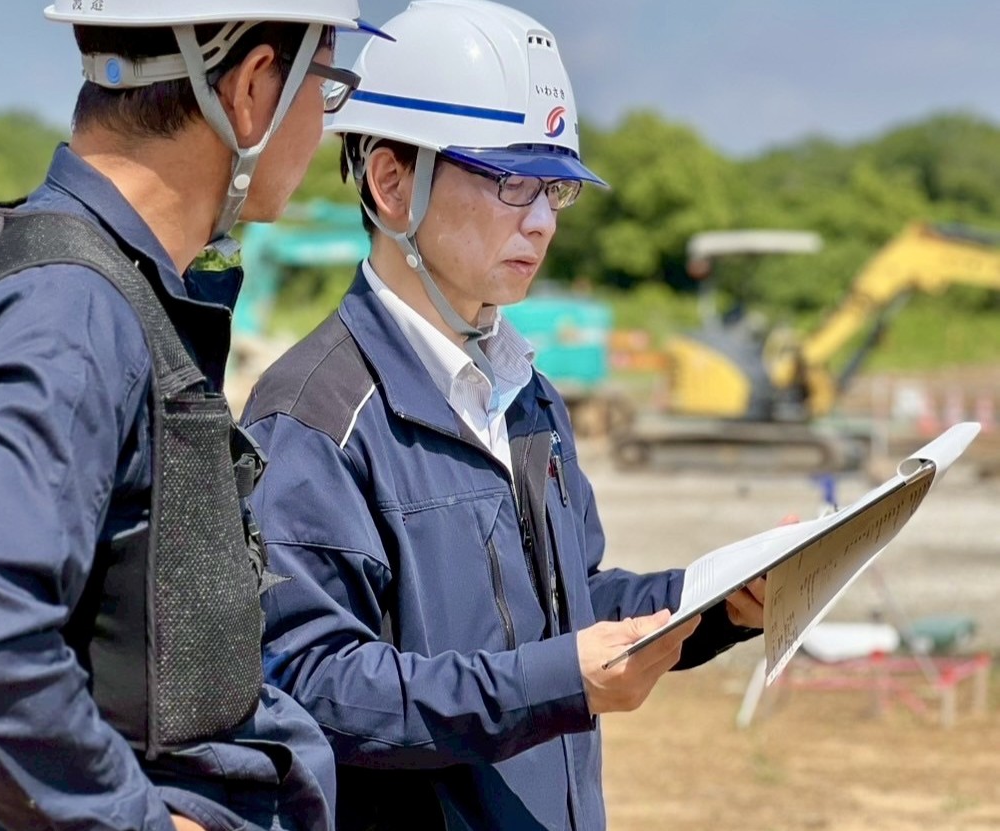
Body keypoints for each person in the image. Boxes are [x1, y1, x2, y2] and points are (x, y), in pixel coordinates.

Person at [240, 2, 766, 829]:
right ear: (390, 182)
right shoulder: (315, 418)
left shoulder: (526, 393)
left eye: (554, 188)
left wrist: (716, 601)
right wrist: (555, 681)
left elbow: (573, 604)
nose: (544, 220)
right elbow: (312, 682)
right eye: (511, 181)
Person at [0, 2, 386, 829]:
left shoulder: (91, 283)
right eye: (326, 84)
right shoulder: (68, 309)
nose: (324, 123)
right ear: (256, 89)